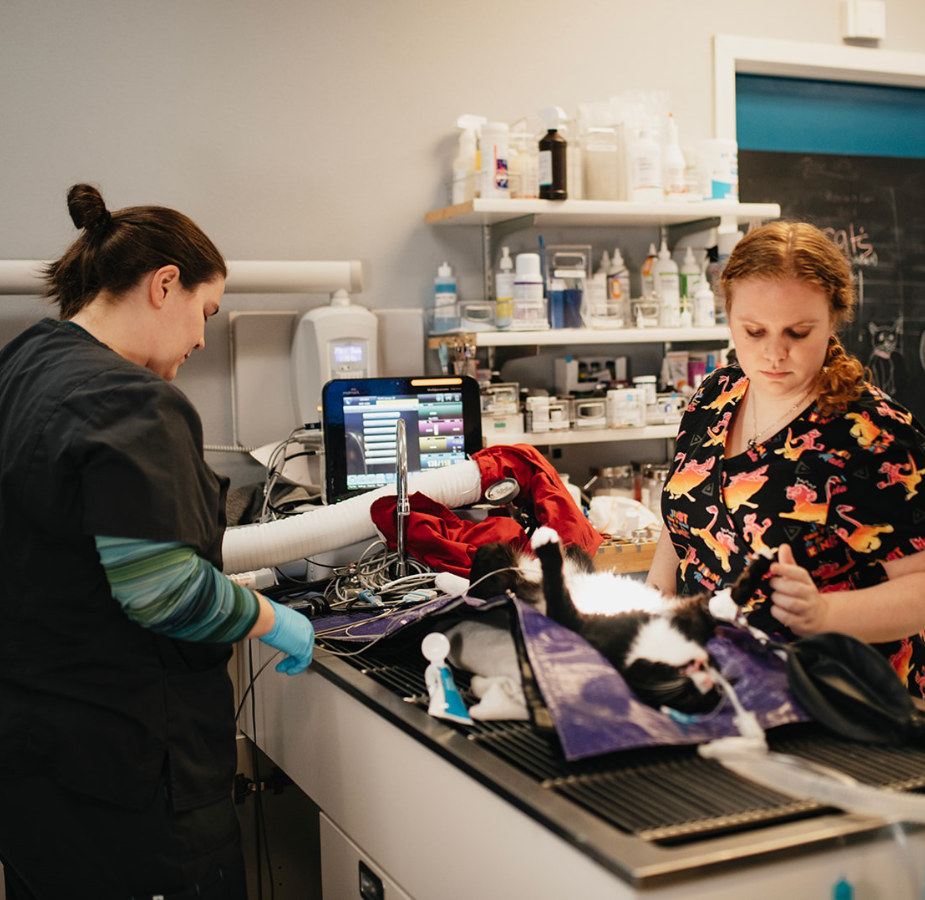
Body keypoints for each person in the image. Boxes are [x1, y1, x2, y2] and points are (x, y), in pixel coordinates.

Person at [0, 184, 315, 899]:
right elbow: (164, 592)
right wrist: (276, 622)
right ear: (163, 283)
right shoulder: (132, 400)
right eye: (204, 312)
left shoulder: (23, 364)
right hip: (132, 776)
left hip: (35, 767)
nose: (202, 339)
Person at [646, 220, 925, 698]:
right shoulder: (715, 394)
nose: (774, 352)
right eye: (753, 331)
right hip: (717, 681)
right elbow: (691, 495)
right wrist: (658, 584)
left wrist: (823, 615)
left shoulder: (873, 431)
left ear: (835, 316)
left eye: (798, 332)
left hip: (841, 698)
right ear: (729, 317)